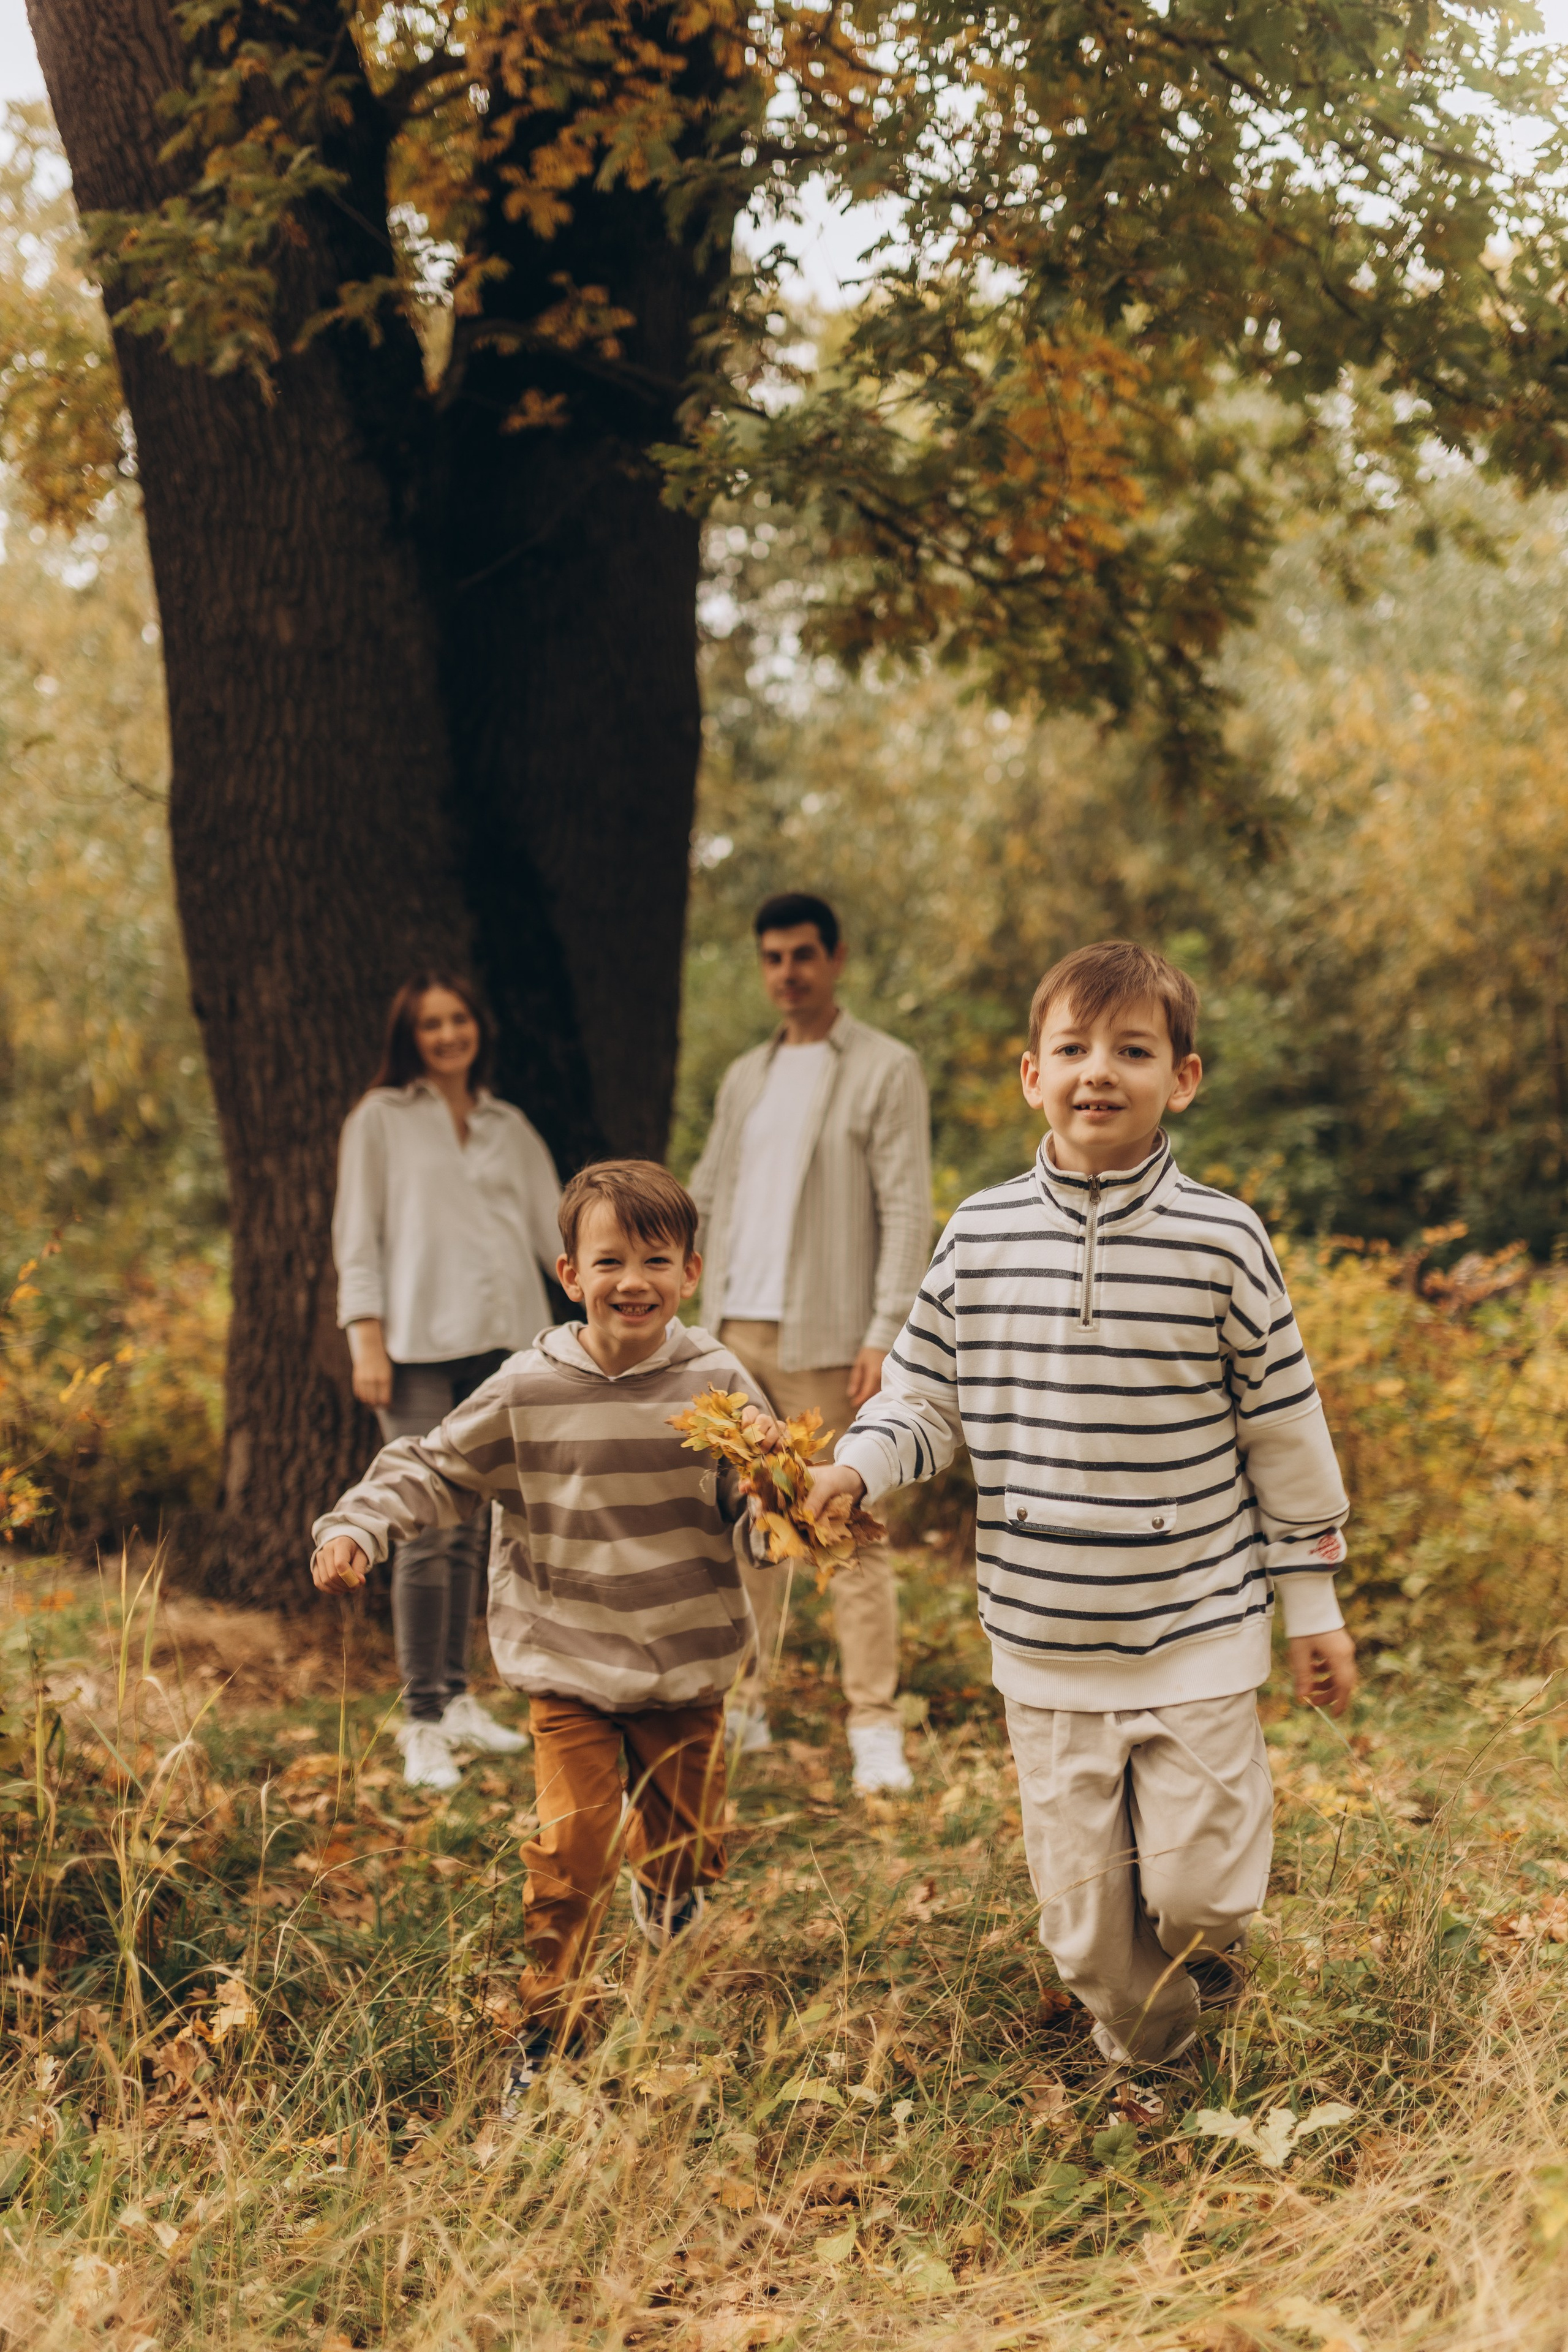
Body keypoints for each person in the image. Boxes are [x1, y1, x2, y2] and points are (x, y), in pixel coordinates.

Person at [805, 940, 1357, 2068]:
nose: (1098, 1071)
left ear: (1183, 1079)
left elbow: (1284, 1429)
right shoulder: (979, 1234)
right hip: (1045, 1642)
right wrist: (856, 1466)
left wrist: (1312, 1606)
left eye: (1132, 1050)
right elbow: (924, 1399)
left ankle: (1196, 1930)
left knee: (1204, 1903)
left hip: (1198, 1623)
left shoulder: (1223, 1239)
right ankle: (1157, 2060)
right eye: (1073, 1049)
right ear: (1031, 1075)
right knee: (1087, 1939)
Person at [311, 1160, 772, 2099]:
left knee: (689, 1849)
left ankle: (670, 1889)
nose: (631, 1281)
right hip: (565, 1657)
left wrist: (776, 1512)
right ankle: (547, 2031)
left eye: (655, 1259)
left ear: (691, 1271)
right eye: (609, 1261)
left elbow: (756, 1497)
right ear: (570, 1275)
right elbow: (435, 1468)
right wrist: (357, 1523)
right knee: (569, 1853)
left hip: (686, 1659)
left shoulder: (719, 1381)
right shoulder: (529, 1387)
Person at [689, 892, 932, 1795]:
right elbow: (706, 1194)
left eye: (802, 955)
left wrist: (887, 1331)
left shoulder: (884, 1068)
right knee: (751, 1522)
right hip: (736, 1329)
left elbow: (907, 1204)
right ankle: (749, 1696)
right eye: (772, 958)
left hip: (833, 1334)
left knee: (848, 1526)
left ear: (834, 960)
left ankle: (875, 1723)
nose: (786, 972)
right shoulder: (744, 1076)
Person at [333, 969, 561, 1791]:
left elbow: (555, 1235)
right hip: (416, 1351)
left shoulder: (510, 1125)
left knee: (476, 1529)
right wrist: (365, 1336)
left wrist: (609, 1311)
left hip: (505, 1353)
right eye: (431, 1025)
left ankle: (460, 1698)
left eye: (458, 1020)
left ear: (477, 1028)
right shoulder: (381, 1120)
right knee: (424, 1530)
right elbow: (357, 1235)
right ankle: (422, 1718)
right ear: (411, 1036)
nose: (447, 1035)